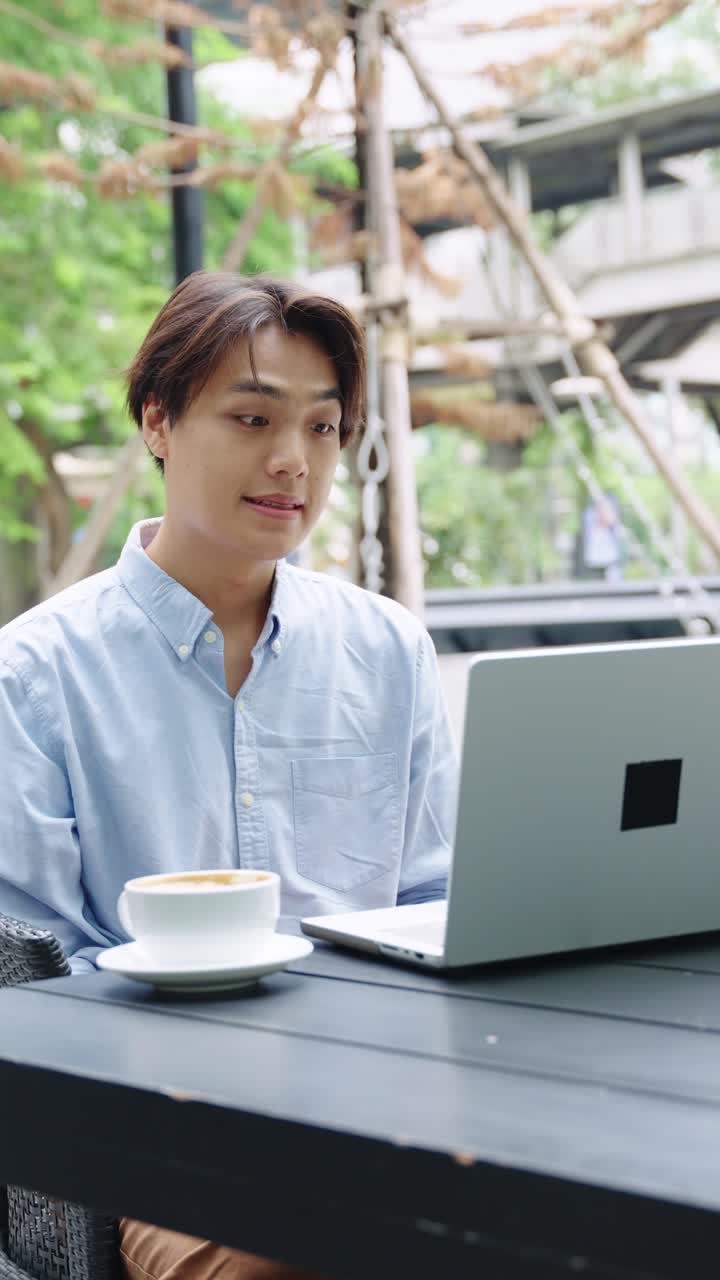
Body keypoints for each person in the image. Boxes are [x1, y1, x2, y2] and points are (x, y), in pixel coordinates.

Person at [0, 272, 458, 1279]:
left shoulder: (388, 652)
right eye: (251, 417)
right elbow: (28, 982)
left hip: (381, 1093)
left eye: (325, 429)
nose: (292, 462)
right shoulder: (33, 675)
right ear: (158, 421)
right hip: (152, 1135)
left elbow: (432, 902)